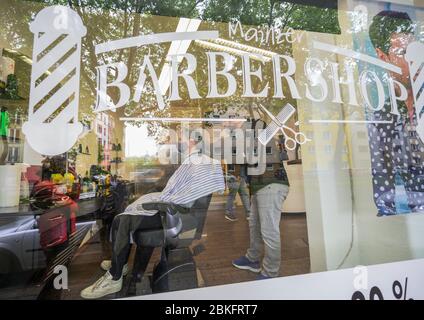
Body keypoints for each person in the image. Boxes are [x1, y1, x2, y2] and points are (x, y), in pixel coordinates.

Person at [80, 135, 225, 299]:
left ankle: (115, 276)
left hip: (177, 216)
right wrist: (155, 195)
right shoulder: (192, 161)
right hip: (173, 210)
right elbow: (174, 189)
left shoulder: (201, 163)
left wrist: (157, 202)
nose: (178, 141)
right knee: (121, 218)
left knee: (123, 220)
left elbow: (187, 198)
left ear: (194, 141)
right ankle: (119, 263)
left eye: (183, 138)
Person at [366, 11, 424, 215]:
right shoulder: (382, 118)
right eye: (403, 52)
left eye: (416, 49)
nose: (414, 59)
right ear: (383, 56)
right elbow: (384, 198)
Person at [232, 138, 290, 280]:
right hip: (258, 187)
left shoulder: (260, 135)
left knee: (269, 230)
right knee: (254, 225)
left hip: (272, 184)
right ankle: (252, 259)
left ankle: (271, 272)